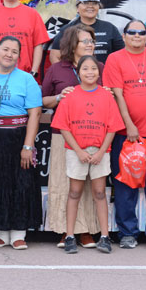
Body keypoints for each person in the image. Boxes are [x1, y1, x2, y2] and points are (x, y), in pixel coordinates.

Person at [103, 20, 146, 251]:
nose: (137, 36)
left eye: (142, 32)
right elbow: (117, 96)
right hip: (126, 134)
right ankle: (127, 233)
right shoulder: (115, 59)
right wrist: (129, 125)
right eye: (133, 32)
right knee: (125, 185)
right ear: (124, 35)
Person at [0, 36, 42, 250]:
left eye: (14, 51)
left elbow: (35, 113)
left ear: (19, 57)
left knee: (20, 183)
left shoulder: (26, 79)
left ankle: (19, 233)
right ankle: (1, 233)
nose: (9, 54)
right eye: (5, 49)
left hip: (18, 136)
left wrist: (28, 146)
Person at [52, 55, 124, 254]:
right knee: (74, 192)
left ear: (99, 73)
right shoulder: (70, 96)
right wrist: (78, 151)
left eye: (93, 69)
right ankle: (69, 236)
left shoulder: (106, 96)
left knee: (100, 193)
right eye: (85, 69)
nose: (90, 72)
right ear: (78, 73)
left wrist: (101, 151)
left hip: (100, 151)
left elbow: (112, 128)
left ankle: (104, 236)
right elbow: (63, 127)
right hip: (77, 151)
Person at [42, 24, 102, 249]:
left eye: (91, 41)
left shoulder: (100, 67)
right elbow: (42, 100)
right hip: (63, 135)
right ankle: (64, 230)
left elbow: (109, 99)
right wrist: (58, 97)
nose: (89, 45)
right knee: (63, 182)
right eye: (84, 41)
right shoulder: (57, 69)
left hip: (93, 135)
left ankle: (85, 230)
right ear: (72, 45)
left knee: (88, 184)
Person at [47, 0, 123, 65]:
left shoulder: (110, 28)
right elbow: (54, 56)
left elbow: (122, 54)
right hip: (75, 75)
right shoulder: (67, 29)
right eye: (86, 2)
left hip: (105, 75)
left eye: (94, 3)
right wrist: (67, 75)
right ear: (77, 7)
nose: (90, 6)